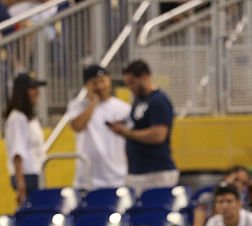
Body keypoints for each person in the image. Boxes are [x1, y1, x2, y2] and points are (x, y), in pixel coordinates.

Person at [111, 60, 178, 194]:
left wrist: (127, 133)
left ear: (144, 76)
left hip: (156, 172)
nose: (130, 87)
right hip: (137, 170)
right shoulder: (138, 101)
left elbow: (158, 135)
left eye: (132, 82)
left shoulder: (159, 101)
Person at [68, 64, 131, 190]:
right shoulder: (77, 106)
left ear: (109, 80)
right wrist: (92, 104)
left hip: (117, 178)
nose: (100, 86)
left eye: (103, 81)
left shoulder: (124, 108)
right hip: (87, 180)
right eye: (94, 83)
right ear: (86, 86)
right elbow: (77, 126)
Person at [4, 72, 46, 205]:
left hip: (34, 174)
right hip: (26, 175)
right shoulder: (18, 118)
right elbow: (17, 152)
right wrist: (21, 185)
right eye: (32, 88)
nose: (37, 92)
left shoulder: (29, 118)